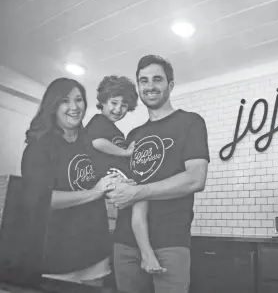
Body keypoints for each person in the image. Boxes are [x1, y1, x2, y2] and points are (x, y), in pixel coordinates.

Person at [107, 55, 210, 293]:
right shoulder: (132, 136)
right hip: (125, 242)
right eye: (143, 80)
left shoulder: (191, 123)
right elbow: (124, 187)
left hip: (170, 242)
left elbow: (196, 178)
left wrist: (137, 192)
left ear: (170, 85)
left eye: (157, 79)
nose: (150, 86)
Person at [21, 78, 121, 286]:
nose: (74, 107)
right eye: (65, 101)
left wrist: (119, 182)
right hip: (56, 259)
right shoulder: (40, 146)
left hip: (95, 252)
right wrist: (95, 192)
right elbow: (41, 200)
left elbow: (106, 178)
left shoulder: (89, 141)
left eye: (79, 100)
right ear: (53, 105)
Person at [85, 75, 166, 274]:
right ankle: (147, 254)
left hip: (116, 177)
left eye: (123, 105)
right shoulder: (98, 121)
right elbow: (97, 143)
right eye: (113, 102)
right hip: (105, 178)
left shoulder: (115, 130)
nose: (117, 109)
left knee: (141, 199)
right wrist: (125, 152)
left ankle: (145, 252)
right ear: (103, 102)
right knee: (141, 199)